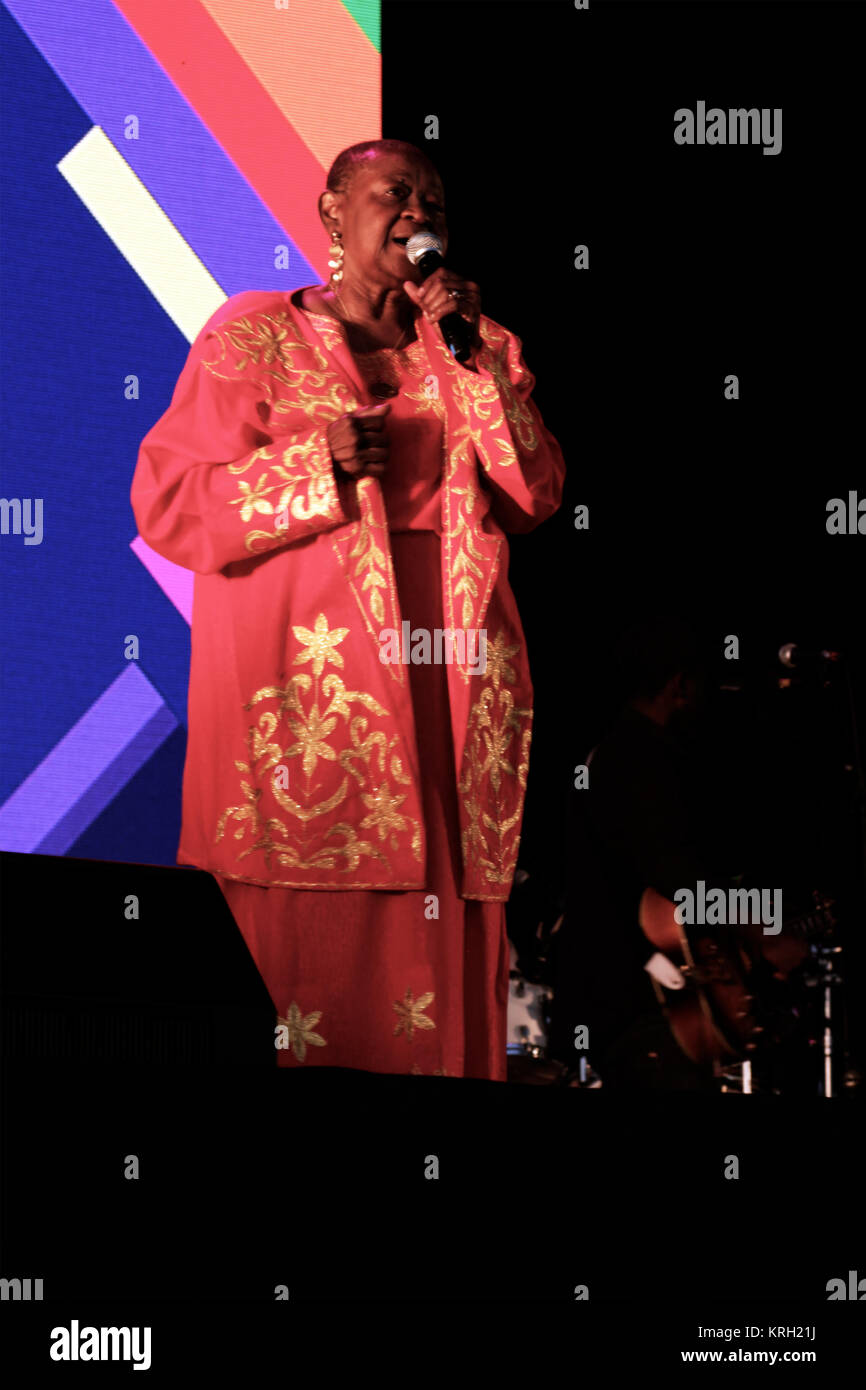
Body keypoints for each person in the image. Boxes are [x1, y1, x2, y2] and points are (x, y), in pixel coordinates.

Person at [130, 139, 566, 1079]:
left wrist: (474, 359)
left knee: (439, 952)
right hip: (302, 712)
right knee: (298, 978)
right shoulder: (253, 338)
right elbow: (168, 506)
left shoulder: (478, 345)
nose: (418, 211)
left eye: (433, 197)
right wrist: (313, 465)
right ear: (332, 211)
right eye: (394, 192)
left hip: (447, 700)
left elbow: (533, 494)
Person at [549, 616, 721, 1090]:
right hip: (636, 1003)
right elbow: (676, 878)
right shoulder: (640, 761)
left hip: (619, 997)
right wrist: (759, 924)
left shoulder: (613, 754)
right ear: (679, 686)